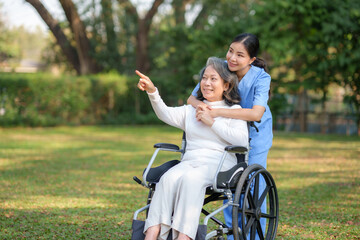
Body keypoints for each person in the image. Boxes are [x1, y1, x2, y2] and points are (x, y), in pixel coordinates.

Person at [136, 57, 249, 240]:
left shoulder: (234, 110)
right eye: (204, 78)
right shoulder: (191, 110)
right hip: (190, 161)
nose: (206, 83)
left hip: (220, 163)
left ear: (226, 85)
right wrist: (152, 91)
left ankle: (184, 237)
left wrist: (212, 123)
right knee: (167, 179)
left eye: (213, 79)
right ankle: (152, 234)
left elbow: (242, 141)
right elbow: (165, 113)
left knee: (192, 179)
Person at [187, 33, 272, 239]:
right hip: (226, 133)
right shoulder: (219, 68)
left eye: (240, 55)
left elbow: (255, 113)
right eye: (231, 51)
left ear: (251, 59)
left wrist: (216, 112)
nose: (232, 58)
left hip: (256, 134)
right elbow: (191, 99)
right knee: (231, 185)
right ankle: (233, 233)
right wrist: (204, 107)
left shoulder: (261, 77)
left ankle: (256, 236)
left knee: (253, 186)